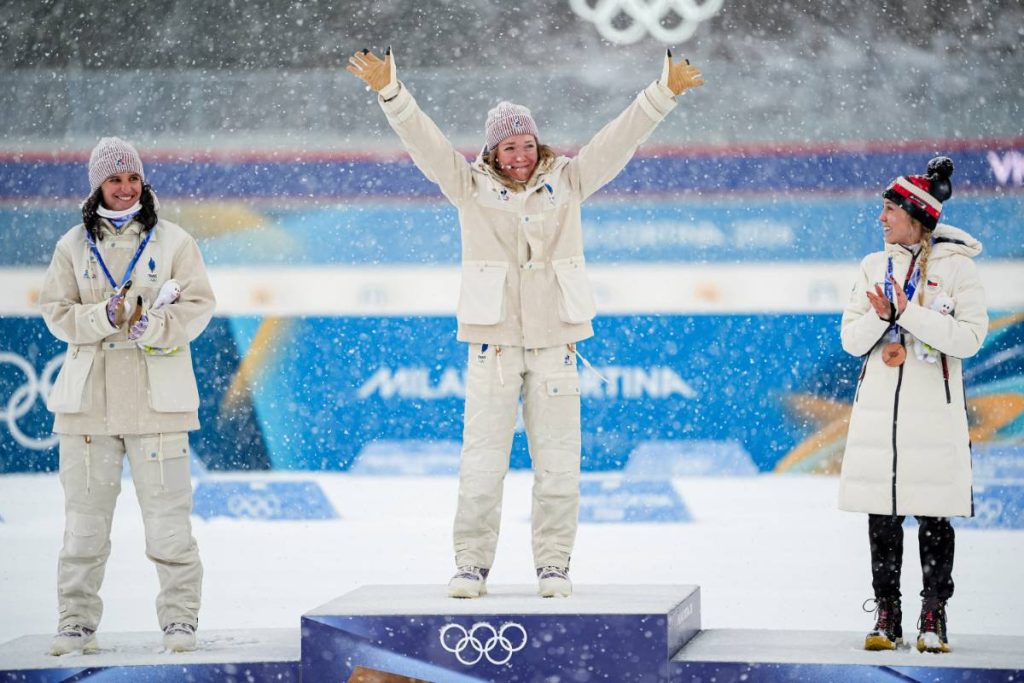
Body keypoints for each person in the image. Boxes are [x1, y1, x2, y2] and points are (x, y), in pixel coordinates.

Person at [348, 47, 704, 598]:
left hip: (556, 345)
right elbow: (424, 142)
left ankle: (554, 565)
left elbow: (619, 140)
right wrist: (391, 91)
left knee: (559, 467)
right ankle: (471, 565)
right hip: (492, 348)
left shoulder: (569, 181)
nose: (521, 156)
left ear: (540, 146)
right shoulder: (468, 187)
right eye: (510, 147)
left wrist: (663, 93)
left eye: (528, 145)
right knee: (481, 465)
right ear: (493, 152)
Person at [39, 137, 216, 653]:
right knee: (84, 528)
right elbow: (55, 312)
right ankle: (75, 622)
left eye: (133, 178)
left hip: (158, 404)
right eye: (114, 179)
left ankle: (179, 621)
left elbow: (199, 306)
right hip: (88, 408)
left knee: (169, 526)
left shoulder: (174, 241)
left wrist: (153, 326)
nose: (125, 188)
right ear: (98, 186)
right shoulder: (72, 246)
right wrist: (104, 316)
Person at [838, 157, 987, 653]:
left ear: (916, 215)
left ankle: (933, 615)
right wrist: (882, 318)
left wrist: (908, 313)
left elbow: (969, 339)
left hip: (933, 418)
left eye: (889, 210)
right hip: (879, 418)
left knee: (934, 517)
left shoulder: (959, 269)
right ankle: (887, 614)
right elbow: (851, 341)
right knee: (881, 518)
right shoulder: (871, 266)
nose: (880, 218)